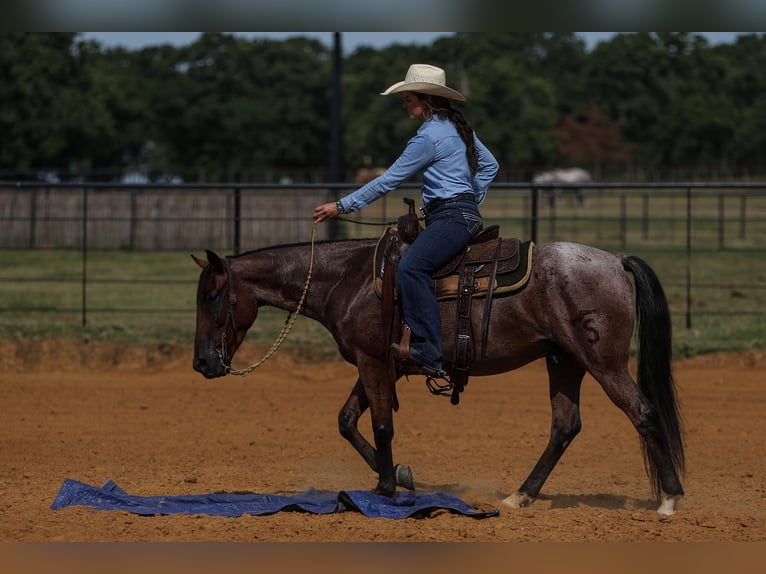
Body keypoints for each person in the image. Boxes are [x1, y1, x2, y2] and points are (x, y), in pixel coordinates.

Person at [314, 63, 499, 376]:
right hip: (464, 215)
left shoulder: (426, 139)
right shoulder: (458, 129)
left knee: (413, 267)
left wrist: (342, 206)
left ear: (425, 101)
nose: (404, 105)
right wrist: (470, 196)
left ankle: (429, 349)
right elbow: (491, 166)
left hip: (450, 217)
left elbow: (388, 180)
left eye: (408, 99)